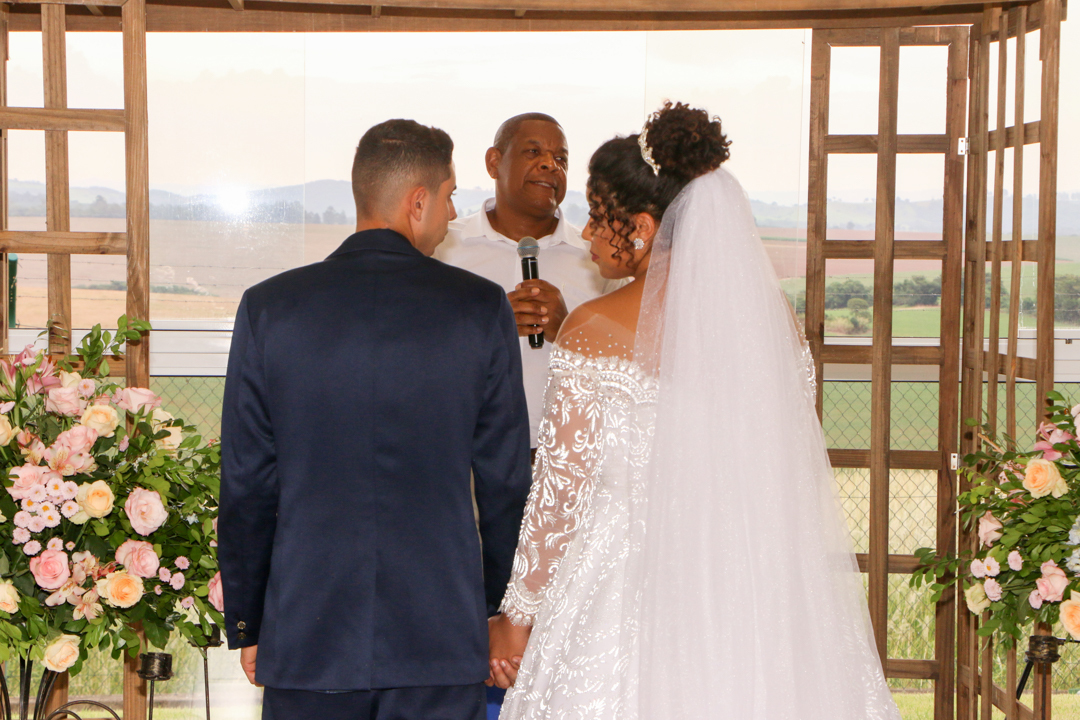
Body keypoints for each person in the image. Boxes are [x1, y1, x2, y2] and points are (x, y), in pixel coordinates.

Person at [488, 103, 903, 720]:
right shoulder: (777, 330)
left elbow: (559, 500)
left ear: (644, 227)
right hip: (751, 597)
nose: (584, 233)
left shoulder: (592, 329)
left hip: (621, 596)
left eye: (599, 216)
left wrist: (517, 618)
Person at [218, 119, 533, 720]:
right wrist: (497, 611)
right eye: (449, 197)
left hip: (308, 632)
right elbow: (504, 481)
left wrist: (251, 622)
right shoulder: (479, 308)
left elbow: (247, 482)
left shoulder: (269, 308)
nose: (451, 213)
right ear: (418, 202)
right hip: (440, 635)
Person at [434, 113, 616, 453]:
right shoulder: (445, 246)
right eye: (534, 153)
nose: (551, 164)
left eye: (561, 158)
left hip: (568, 461)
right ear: (494, 162)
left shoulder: (597, 258)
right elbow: (418, 350)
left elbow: (624, 370)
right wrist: (488, 326)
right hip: (465, 459)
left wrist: (568, 332)